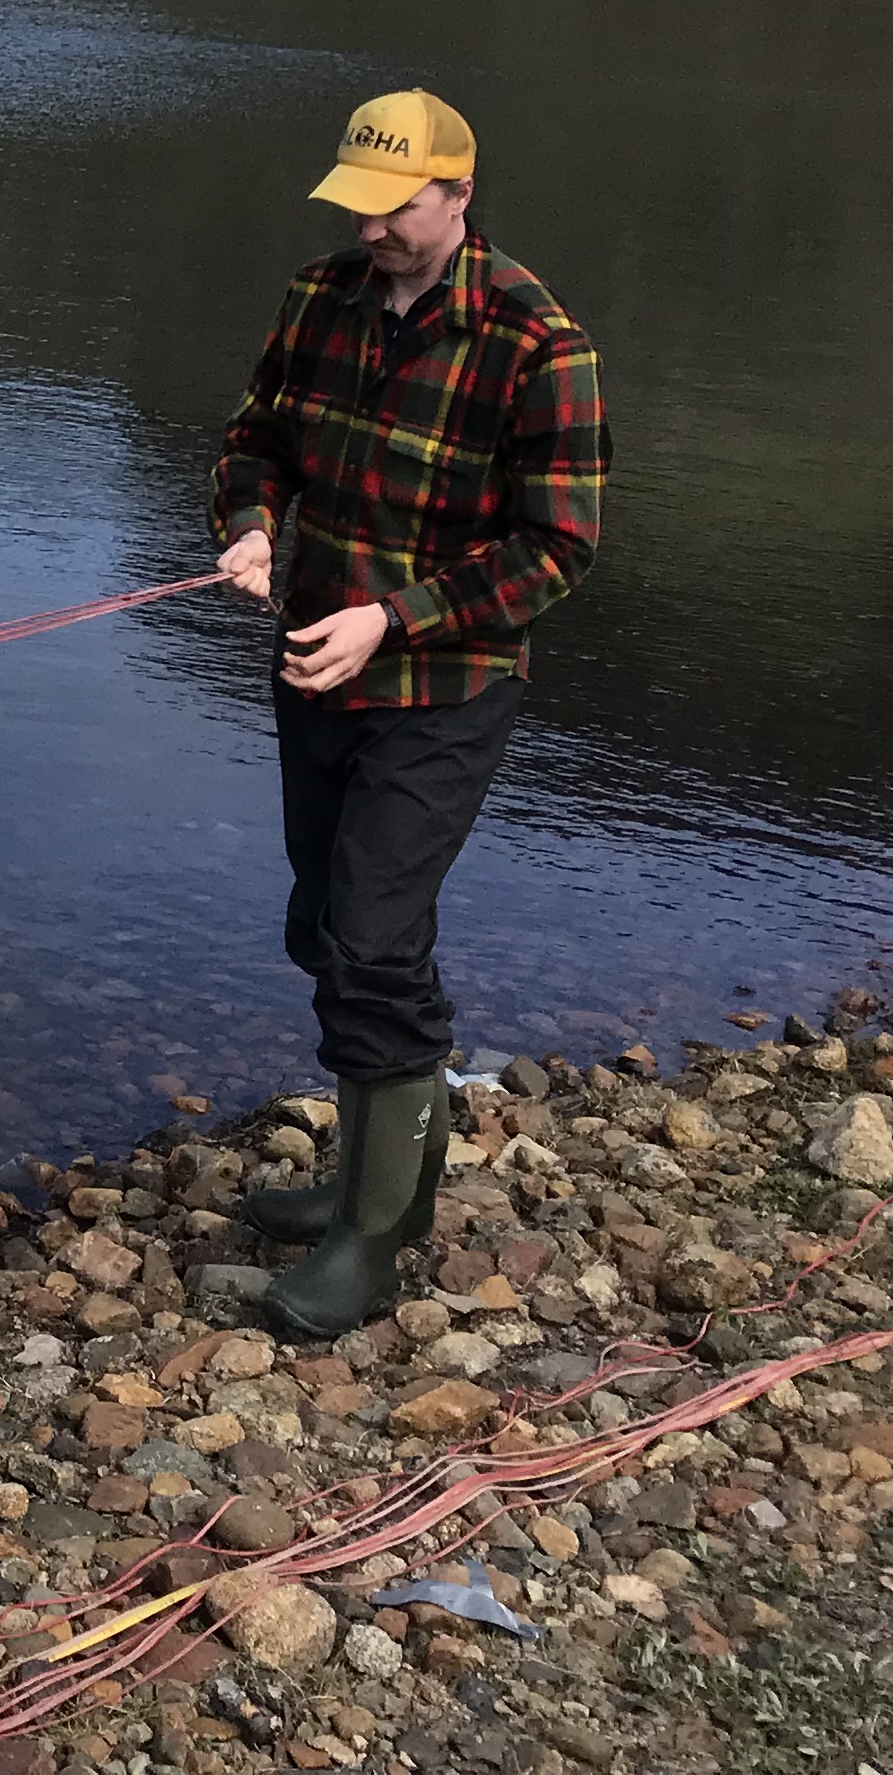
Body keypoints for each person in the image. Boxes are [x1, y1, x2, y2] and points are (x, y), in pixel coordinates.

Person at [209, 91, 607, 1340]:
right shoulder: (317, 298)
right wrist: (251, 528)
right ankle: (377, 1182)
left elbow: (557, 549)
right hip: (315, 669)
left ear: (459, 194)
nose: (372, 228)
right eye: (359, 206)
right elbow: (256, 441)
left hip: (447, 686)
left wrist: (394, 617)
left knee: (374, 943)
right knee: (327, 925)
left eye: (397, 207)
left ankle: (372, 1242)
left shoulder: (538, 342)